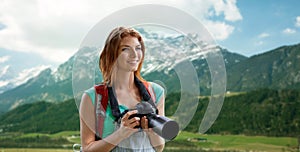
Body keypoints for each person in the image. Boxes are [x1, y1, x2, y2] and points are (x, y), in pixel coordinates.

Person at [79, 26, 165, 152]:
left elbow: (159, 147)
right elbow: (87, 149)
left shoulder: (155, 92)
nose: (135, 55)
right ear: (112, 54)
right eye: (126, 49)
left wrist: (151, 131)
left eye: (138, 48)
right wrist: (121, 134)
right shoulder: (93, 97)